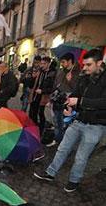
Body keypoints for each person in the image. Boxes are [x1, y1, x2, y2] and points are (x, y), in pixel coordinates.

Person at [34, 49, 106, 193]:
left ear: (99, 63)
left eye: (89, 65)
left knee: (81, 156)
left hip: (96, 125)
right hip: (78, 120)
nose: (84, 68)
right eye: (84, 64)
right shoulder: (84, 76)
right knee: (62, 149)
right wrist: (70, 106)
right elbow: (75, 93)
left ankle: (74, 181)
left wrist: (80, 101)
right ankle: (50, 173)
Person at [47, 52, 81, 147]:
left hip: (68, 102)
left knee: (66, 123)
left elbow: (77, 90)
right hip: (57, 100)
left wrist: (70, 81)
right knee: (57, 122)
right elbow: (55, 85)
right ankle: (57, 139)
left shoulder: (78, 73)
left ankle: (66, 144)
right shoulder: (61, 72)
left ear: (70, 61)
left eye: (63, 62)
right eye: (61, 62)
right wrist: (50, 99)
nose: (61, 64)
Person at [29, 57, 56, 134]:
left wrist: (42, 91)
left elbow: (53, 88)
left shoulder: (52, 73)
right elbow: (32, 84)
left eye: (44, 64)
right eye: (41, 63)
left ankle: (41, 131)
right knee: (32, 113)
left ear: (48, 64)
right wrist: (32, 77)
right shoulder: (40, 72)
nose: (42, 65)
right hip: (35, 96)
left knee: (41, 114)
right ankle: (33, 129)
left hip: (44, 97)